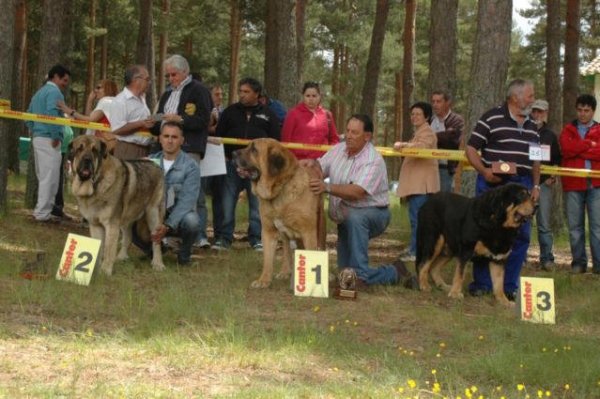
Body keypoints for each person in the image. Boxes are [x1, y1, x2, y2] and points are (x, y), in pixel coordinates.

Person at [302, 114, 414, 288]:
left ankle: (361, 276)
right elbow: (320, 168)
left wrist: (327, 188)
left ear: (367, 136)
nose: (348, 136)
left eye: (354, 132)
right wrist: (310, 165)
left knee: (356, 219)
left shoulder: (373, 160)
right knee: (344, 275)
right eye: (347, 131)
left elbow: (357, 192)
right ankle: (394, 272)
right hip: (345, 218)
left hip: (373, 215)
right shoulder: (339, 150)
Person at [465, 78, 541, 301]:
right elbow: (470, 149)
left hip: (523, 186)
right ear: (515, 97)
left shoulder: (532, 124)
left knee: (521, 236)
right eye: (530, 95)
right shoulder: (491, 117)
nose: (533, 99)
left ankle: (509, 286)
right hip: (493, 186)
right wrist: (484, 171)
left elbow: (536, 160)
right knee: (485, 233)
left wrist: (536, 185)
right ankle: (482, 284)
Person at [151, 55, 213, 249]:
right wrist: (152, 124)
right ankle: (166, 237)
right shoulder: (168, 93)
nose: (171, 78)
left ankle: (186, 240)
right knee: (163, 194)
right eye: (168, 75)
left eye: (174, 74)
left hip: (188, 148)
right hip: (164, 150)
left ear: (185, 72)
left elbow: (203, 120)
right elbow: (160, 123)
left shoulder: (199, 90)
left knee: (188, 196)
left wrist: (180, 119)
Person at [214, 77, 281, 250]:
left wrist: (265, 165)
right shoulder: (229, 112)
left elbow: (275, 141)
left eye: (246, 92)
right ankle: (224, 238)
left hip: (258, 170)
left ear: (257, 94)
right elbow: (219, 136)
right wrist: (226, 157)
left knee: (256, 206)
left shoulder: (268, 114)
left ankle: (257, 239)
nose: (242, 95)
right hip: (232, 165)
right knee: (227, 203)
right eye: (240, 91)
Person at [139, 121, 201, 266]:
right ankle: (154, 251)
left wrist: (167, 225)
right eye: (166, 136)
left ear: (182, 140)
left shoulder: (191, 166)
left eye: (174, 137)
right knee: (131, 216)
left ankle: (184, 256)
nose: (170, 140)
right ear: (160, 138)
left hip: (177, 216)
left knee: (192, 221)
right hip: (152, 213)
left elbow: (187, 201)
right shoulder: (149, 161)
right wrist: (140, 169)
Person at [393, 102, 440, 262]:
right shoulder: (419, 132)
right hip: (417, 184)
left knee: (418, 219)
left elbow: (422, 147)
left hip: (422, 185)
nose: (414, 117)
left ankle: (416, 252)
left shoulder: (427, 133)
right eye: (412, 114)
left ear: (426, 116)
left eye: (418, 114)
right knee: (416, 218)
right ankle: (414, 248)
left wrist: (404, 145)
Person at [559, 94, 600, 275]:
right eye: (580, 110)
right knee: (575, 227)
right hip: (573, 184)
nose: (583, 114)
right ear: (576, 110)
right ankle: (578, 263)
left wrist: (579, 149)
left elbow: (599, 153)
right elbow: (566, 150)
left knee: (597, 227)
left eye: (587, 111)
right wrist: (587, 145)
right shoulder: (568, 129)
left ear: (593, 111)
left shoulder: (599, 129)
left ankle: (598, 265)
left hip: (596, 184)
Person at [26, 64, 71, 223]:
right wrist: (55, 135)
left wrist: (35, 131)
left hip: (39, 137)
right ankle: (42, 214)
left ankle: (43, 211)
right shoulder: (54, 92)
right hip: (49, 139)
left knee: (44, 175)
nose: (65, 83)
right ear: (56, 77)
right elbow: (52, 113)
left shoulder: (39, 93)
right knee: (50, 177)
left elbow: (29, 114)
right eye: (64, 80)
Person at [530, 99, 561, 272]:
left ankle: (547, 258)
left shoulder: (550, 135)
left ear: (546, 113)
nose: (536, 115)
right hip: (526, 184)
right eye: (534, 111)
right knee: (522, 222)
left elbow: (557, 160)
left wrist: (552, 177)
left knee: (543, 223)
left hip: (544, 184)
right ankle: (521, 257)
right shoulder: (523, 131)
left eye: (540, 112)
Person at [281, 81, 340, 160]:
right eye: (308, 96)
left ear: (319, 97)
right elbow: (285, 140)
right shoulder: (293, 114)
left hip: (322, 162)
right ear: (303, 96)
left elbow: (334, 138)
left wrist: (330, 153)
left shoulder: (327, 115)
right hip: (299, 163)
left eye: (314, 96)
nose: (311, 99)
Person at [108, 65, 156, 159]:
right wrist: (141, 124)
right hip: (128, 149)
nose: (149, 83)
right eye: (147, 79)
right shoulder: (120, 101)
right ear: (136, 80)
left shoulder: (142, 97)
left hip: (146, 150)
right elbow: (117, 129)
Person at [58, 78, 119, 151]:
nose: (95, 90)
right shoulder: (112, 101)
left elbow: (90, 120)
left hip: (104, 140)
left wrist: (70, 111)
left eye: (98, 88)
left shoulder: (106, 101)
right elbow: (89, 118)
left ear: (108, 89)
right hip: (110, 139)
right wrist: (90, 100)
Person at [430, 90, 464, 192]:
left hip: (445, 168)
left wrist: (430, 138)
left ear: (447, 102)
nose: (435, 104)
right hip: (428, 168)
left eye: (438, 101)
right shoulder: (430, 120)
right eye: (433, 101)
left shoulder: (456, 119)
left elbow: (451, 139)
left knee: (444, 203)